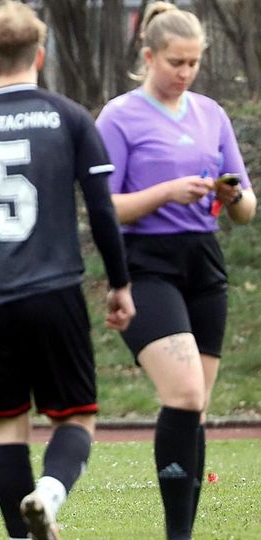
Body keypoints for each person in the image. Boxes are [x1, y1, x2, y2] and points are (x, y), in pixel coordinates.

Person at [0, 2, 135, 539]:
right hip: (54, 289)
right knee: (77, 417)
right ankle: (50, 493)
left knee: (9, 425)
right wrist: (119, 284)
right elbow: (103, 210)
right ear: (40, 54)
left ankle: (21, 535)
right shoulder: (68, 116)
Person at [95, 3, 256, 538]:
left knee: (197, 408)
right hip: (145, 264)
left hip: (203, 262)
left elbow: (247, 208)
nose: (185, 72)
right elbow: (104, 206)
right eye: (175, 61)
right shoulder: (119, 115)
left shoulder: (211, 113)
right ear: (148, 56)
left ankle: (180, 534)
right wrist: (165, 191)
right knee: (185, 394)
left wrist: (231, 195)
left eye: (193, 62)